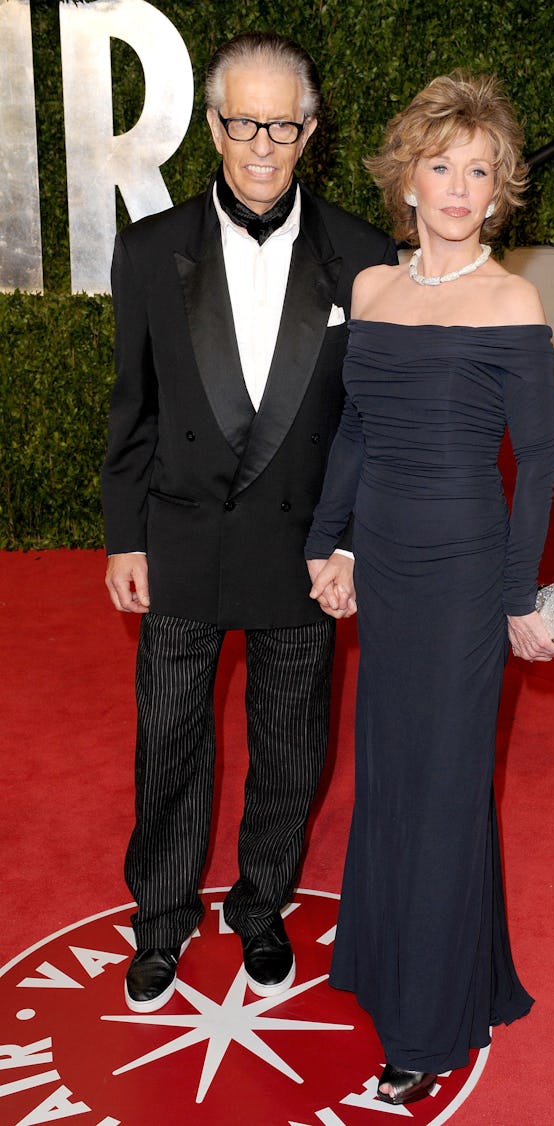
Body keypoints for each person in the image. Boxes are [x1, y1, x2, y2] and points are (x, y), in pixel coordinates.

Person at [101, 31, 397, 1015]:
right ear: (214, 128)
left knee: (289, 744)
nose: (261, 145)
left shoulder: (364, 254)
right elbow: (130, 408)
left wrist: (350, 540)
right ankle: (160, 921)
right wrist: (124, 535)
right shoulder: (151, 249)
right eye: (243, 122)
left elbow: (371, 422)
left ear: (310, 131)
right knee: (171, 744)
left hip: (303, 548)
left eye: (283, 123)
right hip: (181, 539)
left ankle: (261, 906)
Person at [305, 71, 554, 1105]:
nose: (459, 188)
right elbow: (358, 428)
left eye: (481, 171)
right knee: (393, 772)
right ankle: (401, 961)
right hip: (387, 561)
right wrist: (334, 544)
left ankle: (425, 1026)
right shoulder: (370, 290)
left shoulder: (513, 300)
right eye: (441, 165)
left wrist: (516, 598)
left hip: (463, 574)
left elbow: (537, 464)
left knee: (448, 787)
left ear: (500, 192)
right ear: (405, 178)